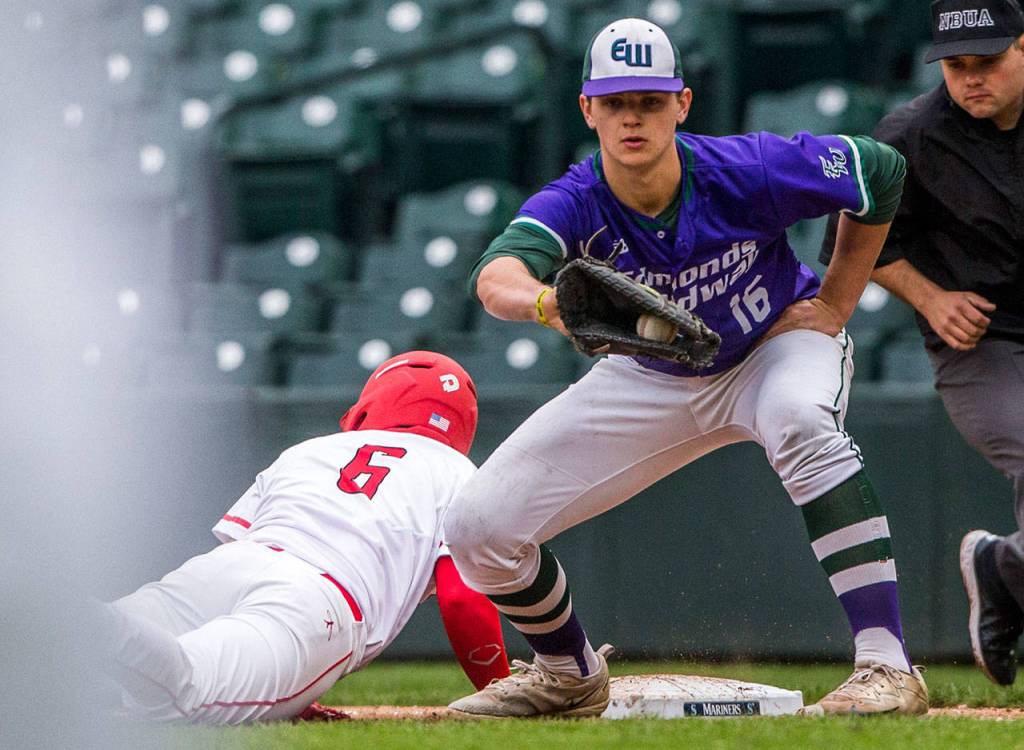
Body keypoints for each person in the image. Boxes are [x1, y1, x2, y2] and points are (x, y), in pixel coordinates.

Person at [442, 17, 929, 718]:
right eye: (615, 102)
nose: (631, 116)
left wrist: (838, 299)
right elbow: (496, 275)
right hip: (650, 378)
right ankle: (568, 674)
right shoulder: (579, 199)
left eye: (648, 99)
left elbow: (879, 172)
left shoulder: (746, 169)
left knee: (799, 419)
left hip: (772, 347)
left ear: (682, 103)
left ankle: (887, 666)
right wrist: (548, 302)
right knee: (477, 527)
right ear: (588, 109)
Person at [101, 351, 510, 724]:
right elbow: (462, 600)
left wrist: (293, 685)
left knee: (83, 668)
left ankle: (70, 615)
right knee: (182, 690)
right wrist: (500, 691)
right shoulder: (458, 472)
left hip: (228, 566)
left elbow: (236, 548)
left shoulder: (308, 449)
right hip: (319, 601)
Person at [821, 0, 1024, 687]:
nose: (970, 79)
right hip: (981, 340)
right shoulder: (911, 134)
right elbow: (847, 247)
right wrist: (932, 298)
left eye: (988, 62)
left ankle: (1005, 570)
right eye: (956, 66)